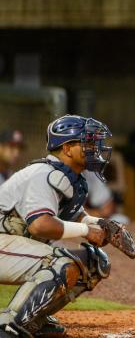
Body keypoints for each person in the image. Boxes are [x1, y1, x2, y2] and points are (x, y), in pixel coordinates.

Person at [0, 115, 114, 337]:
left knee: (94, 262)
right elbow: (40, 226)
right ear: (68, 148)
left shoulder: (65, 176)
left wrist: (100, 225)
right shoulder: (43, 175)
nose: (95, 148)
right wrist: (85, 231)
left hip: (8, 245)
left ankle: (35, 318)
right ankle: (8, 325)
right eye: (88, 142)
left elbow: (70, 215)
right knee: (62, 263)